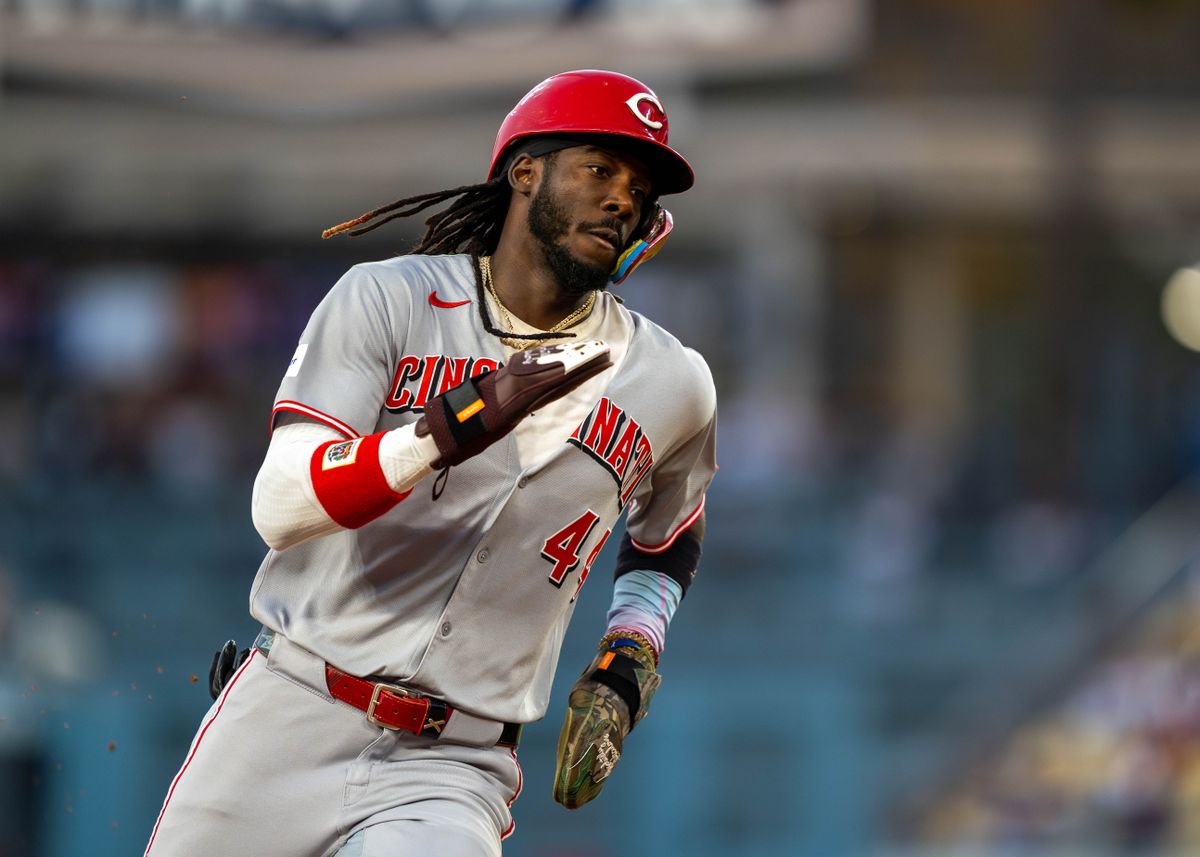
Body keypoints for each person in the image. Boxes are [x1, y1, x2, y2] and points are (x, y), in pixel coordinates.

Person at [144, 69, 717, 857]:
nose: (622, 198)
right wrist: (439, 434)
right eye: (599, 168)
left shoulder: (673, 381)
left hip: (452, 764)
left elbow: (667, 539)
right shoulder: (389, 299)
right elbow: (279, 504)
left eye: (640, 188)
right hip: (287, 711)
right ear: (525, 171)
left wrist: (629, 656)